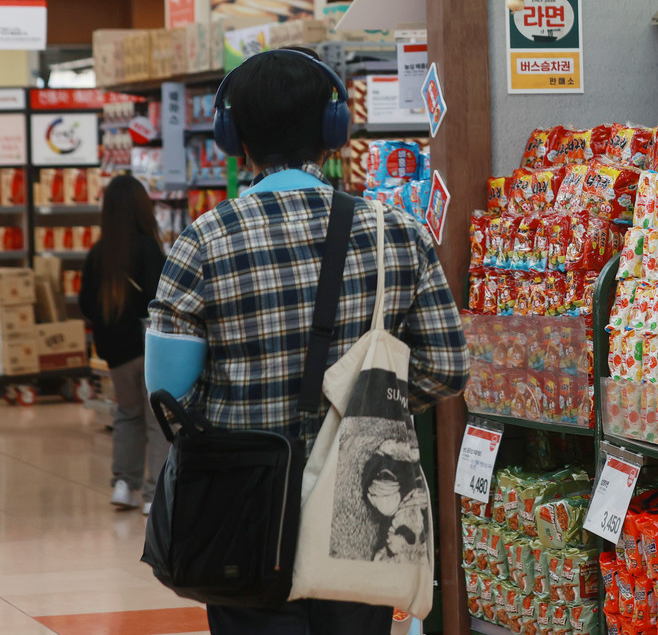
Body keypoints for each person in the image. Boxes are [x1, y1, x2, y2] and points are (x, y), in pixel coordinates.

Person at [144, 47, 469, 635]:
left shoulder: (203, 242)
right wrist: (361, 407)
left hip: (242, 505)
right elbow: (447, 368)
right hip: (366, 493)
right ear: (333, 130)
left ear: (230, 136)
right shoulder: (395, 233)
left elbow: (166, 391)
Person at [79, 173, 167, 514]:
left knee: (127, 415)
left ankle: (123, 484)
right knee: (156, 421)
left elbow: (86, 305)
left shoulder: (98, 254)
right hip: (148, 350)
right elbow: (161, 299)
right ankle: (152, 492)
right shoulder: (149, 249)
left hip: (114, 354)